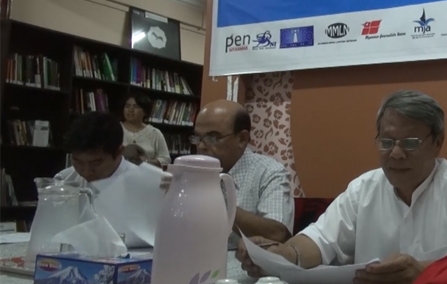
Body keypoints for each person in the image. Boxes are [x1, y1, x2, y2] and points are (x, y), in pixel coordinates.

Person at [235, 90, 447, 284]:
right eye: (387, 142)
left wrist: (427, 272)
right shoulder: (364, 188)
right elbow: (319, 240)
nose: (396, 154)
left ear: (438, 142)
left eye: (410, 143)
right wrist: (282, 255)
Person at [182, 99, 294, 244]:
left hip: (237, 258)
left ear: (242, 139)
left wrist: (215, 201)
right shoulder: (189, 170)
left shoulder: (270, 172)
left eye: (212, 138)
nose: (201, 146)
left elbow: (278, 234)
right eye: (197, 137)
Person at [56, 111, 167, 247]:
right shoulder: (65, 180)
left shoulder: (150, 184)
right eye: (78, 161)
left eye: (96, 163)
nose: (86, 171)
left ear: (119, 152)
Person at [121, 93, 171, 167]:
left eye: (136, 107)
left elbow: (166, 159)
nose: (130, 110)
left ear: (145, 111)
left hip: (146, 172)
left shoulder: (155, 133)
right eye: (127, 106)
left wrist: (146, 162)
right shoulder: (114, 129)